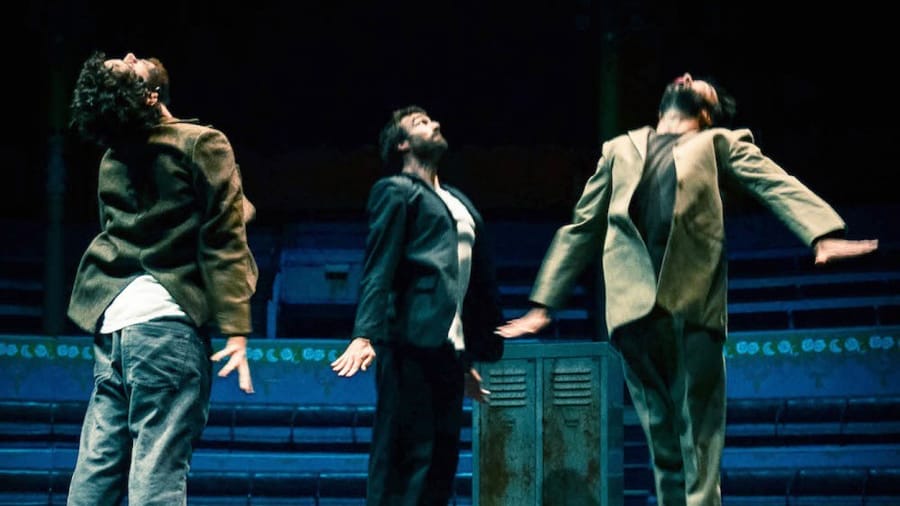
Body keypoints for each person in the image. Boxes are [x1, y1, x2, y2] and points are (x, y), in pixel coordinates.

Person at [496, 73, 879, 505]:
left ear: (706, 112)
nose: (687, 77)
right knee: (664, 447)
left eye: (700, 83)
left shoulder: (719, 143)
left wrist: (821, 234)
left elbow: (772, 181)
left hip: (691, 304)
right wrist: (543, 304)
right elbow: (582, 226)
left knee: (698, 443)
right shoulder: (619, 150)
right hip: (632, 313)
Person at [65, 51, 258, 506]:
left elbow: (146, 227)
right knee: (157, 471)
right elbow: (223, 240)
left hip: (113, 324)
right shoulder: (201, 143)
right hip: (164, 326)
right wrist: (236, 328)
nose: (132, 54)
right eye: (127, 66)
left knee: (97, 469)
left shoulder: (112, 159)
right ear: (150, 96)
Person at [330, 105, 504, 505]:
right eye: (422, 123)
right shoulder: (395, 191)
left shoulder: (457, 200)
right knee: (402, 461)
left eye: (433, 120)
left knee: (441, 465)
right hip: (408, 343)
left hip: (446, 352)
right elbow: (379, 267)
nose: (436, 124)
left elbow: (467, 284)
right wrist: (364, 334)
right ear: (404, 143)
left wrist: (466, 361)